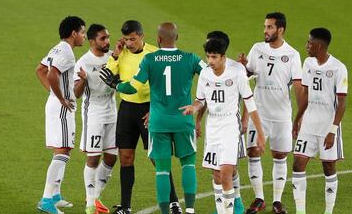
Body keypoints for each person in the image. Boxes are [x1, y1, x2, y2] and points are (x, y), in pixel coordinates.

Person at [100, 22, 206, 214]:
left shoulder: (151, 58)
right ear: (177, 37)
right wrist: (199, 103)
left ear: (156, 39)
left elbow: (132, 86)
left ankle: (168, 208)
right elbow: (210, 74)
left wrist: (116, 85)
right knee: (188, 165)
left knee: (161, 168)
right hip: (183, 118)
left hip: (156, 118)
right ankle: (189, 210)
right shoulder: (191, 58)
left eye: (132, 38)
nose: (129, 43)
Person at [181, 38, 266, 214]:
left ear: (223, 56)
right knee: (217, 175)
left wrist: (260, 132)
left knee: (226, 172)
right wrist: (194, 107)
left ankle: (233, 209)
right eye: (208, 56)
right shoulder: (205, 73)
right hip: (212, 127)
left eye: (214, 57)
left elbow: (250, 103)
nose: (210, 61)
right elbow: (200, 99)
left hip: (229, 126)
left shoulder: (237, 72)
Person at [239, 12, 303, 214]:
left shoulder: (293, 55)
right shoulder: (257, 48)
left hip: (281, 115)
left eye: (269, 27)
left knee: (280, 155)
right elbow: (247, 75)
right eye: (265, 26)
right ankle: (259, 198)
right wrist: (243, 67)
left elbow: (299, 86)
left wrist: (299, 118)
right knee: (253, 152)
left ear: (280, 29)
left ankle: (277, 201)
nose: (265, 30)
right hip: (259, 113)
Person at [292, 28, 348, 214]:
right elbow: (307, 95)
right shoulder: (308, 63)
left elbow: (341, 104)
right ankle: (301, 212)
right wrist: (297, 120)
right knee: (298, 165)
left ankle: (328, 211)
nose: (306, 46)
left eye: (309, 43)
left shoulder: (338, 68)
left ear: (319, 45)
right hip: (309, 125)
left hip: (327, 127)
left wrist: (332, 131)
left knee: (328, 166)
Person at [36, 16, 86, 214]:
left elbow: (40, 69)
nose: (83, 36)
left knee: (61, 149)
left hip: (54, 105)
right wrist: (62, 98)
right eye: (82, 32)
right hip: (61, 108)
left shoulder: (57, 48)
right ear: (74, 33)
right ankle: (46, 199)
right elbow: (50, 74)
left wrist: (53, 94)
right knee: (63, 151)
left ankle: (55, 195)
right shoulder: (67, 53)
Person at [195, 31, 248, 214]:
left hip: (232, 122)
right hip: (214, 124)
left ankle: (237, 201)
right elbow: (204, 99)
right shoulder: (209, 72)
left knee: (229, 168)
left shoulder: (237, 70)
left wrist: (245, 120)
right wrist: (198, 120)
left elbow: (248, 97)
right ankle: (223, 208)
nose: (210, 56)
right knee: (217, 169)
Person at [73, 24, 118, 214]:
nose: (107, 41)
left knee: (111, 157)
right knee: (93, 157)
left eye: (108, 37)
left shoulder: (112, 58)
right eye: (103, 38)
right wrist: (82, 80)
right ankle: (90, 204)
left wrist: (118, 55)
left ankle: (95, 197)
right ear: (92, 41)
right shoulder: (83, 62)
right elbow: (76, 94)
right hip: (93, 114)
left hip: (112, 112)